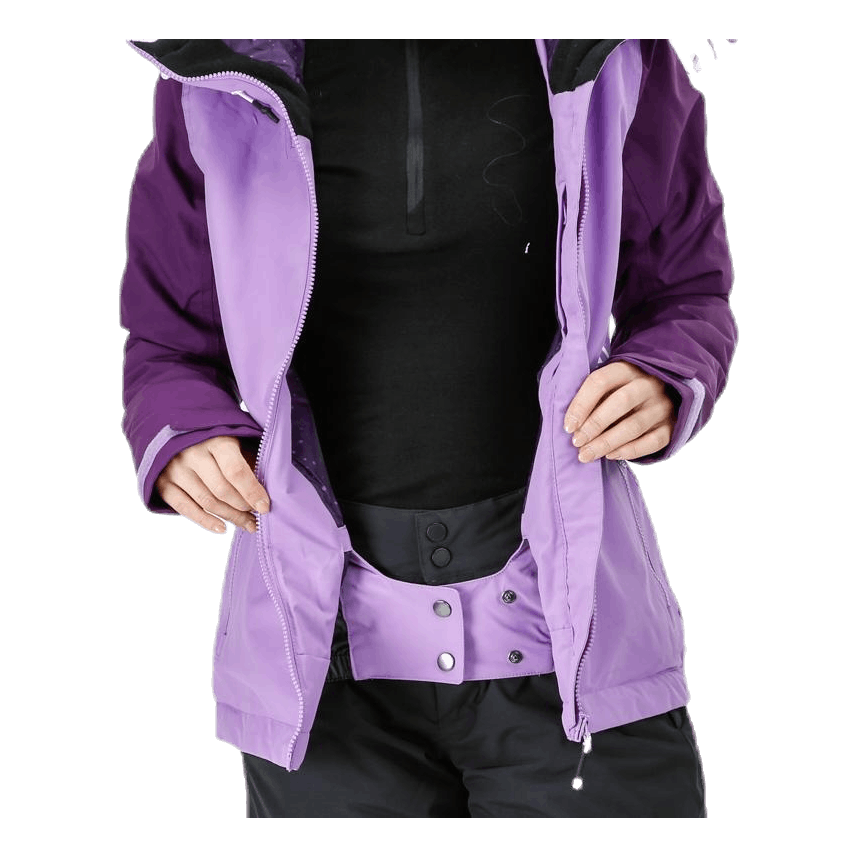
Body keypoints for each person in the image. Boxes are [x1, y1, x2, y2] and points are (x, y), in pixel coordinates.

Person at [120, 39, 738, 818]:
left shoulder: (618, 53)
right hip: (321, 671)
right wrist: (182, 433)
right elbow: (167, 340)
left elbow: (687, 287)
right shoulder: (211, 75)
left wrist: (664, 372)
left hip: (576, 649)